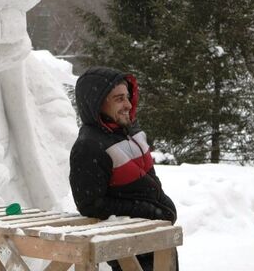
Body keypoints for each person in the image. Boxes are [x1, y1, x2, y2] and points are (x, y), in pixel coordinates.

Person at [70, 66, 178, 271]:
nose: (128, 104)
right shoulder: (88, 146)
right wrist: (149, 211)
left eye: (127, 97)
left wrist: (162, 205)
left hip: (156, 240)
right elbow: (90, 204)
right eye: (119, 98)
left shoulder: (129, 133)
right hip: (130, 248)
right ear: (97, 103)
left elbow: (149, 181)